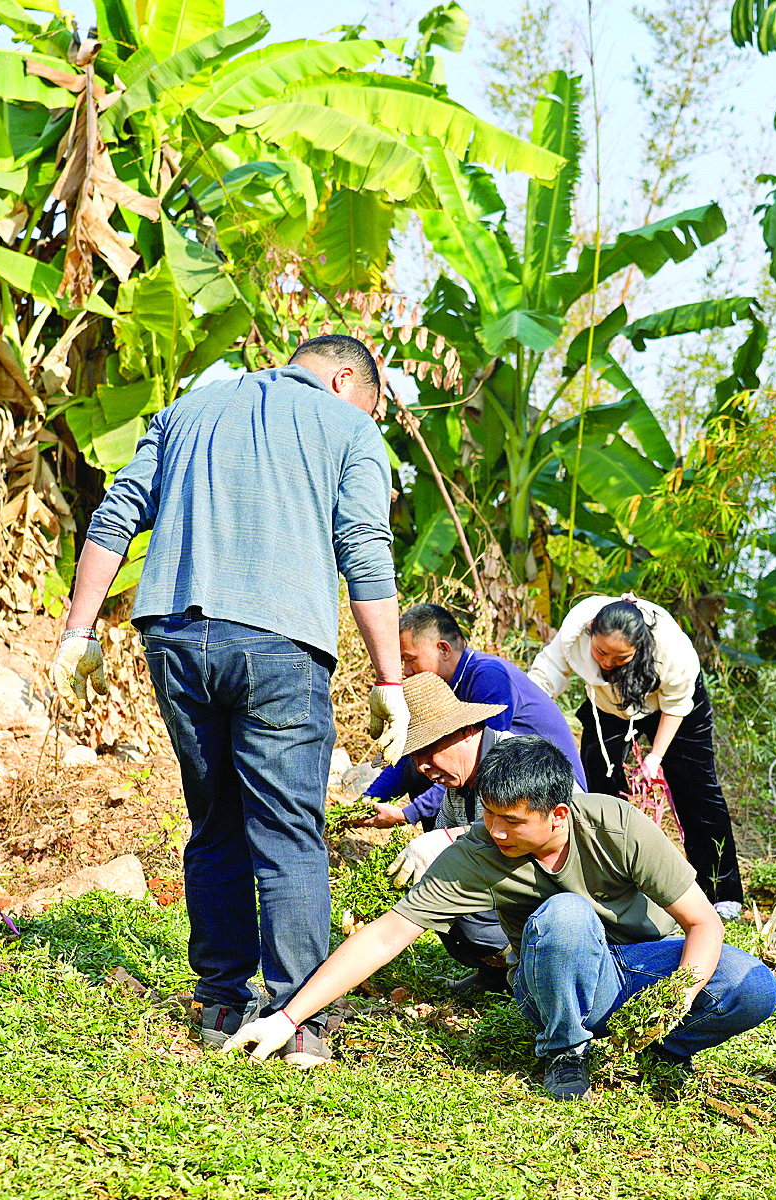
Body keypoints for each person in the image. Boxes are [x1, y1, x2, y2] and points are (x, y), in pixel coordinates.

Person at [52, 334, 407, 1051]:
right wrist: (391, 678)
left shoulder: (191, 407)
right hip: (279, 646)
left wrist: (78, 632)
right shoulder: (350, 429)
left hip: (176, 639)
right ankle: (300, 1026)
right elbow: (365, 548)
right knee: (287, 831)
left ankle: (220, 1007)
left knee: (214, 822)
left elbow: (117, 512)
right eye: (367, 405)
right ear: (346, 380)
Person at [226, 736, 776, 1100]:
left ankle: (656, 1053)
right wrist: (287, 1019)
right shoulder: (480, 847)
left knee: (754, 985)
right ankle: (566, 1052)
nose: (495, 830)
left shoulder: (617, 825)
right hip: (547, 978)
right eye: (488, 814)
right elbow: (390, 932)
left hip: (639, 969)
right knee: (565, 916)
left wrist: (677, 997)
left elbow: (705, 924)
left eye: (511, 821)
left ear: (559, 814)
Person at [528, 593, 745, 918]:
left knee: (697, 793)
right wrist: (522, 712)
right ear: (590, 630)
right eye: (601, 652)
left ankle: (719, 891)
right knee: (597, 791)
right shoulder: (577, 627)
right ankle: (605, 887)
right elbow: (545, 677)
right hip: (609, 706)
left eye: (620, 658)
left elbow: (676, 707)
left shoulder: (671, 649)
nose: (606, 663)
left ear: (639, 648)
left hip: (675, 709)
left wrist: (655, 757)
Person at [363, 601, 580, 832]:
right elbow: (411, 754)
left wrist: (409, 814)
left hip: (544, 787)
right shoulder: (447, 687)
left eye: (410, 659)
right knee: (419, 768)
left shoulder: (488, 677)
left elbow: (487, 756)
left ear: (443, 649)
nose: (406, 671)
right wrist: (368, 802)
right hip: (497, 783)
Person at [373, 672, 527, 995]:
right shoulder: (456, 787)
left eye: (429, 750)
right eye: (415, 757)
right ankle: (493, 975)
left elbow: (533, 834)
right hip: (507, 899)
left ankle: (525, 970)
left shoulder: (515, 761)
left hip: (550, 900)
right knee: (433, 887)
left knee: (461, 903)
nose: (423, 767)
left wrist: (445, 839)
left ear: (467, 731)